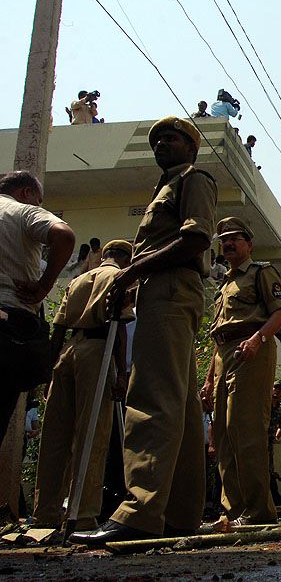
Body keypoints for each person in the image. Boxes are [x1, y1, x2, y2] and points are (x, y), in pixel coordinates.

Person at [71, 116, 217, 545]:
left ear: (191, 147)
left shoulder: (192, 179)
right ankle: (179, 515)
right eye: (156, 140)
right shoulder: (165, 186)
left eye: (171, 138)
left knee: (151, 397)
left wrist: (132, 271)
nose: (161, 145)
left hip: (169, 287)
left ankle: (139, 511)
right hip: (164, 288)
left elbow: (196, 239)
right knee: (181, 405)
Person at [32, 240, 134, 533]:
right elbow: (119, 326)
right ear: (126, 260)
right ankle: (83, 514)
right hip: (97, 351)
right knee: (93, 433)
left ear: (104, 256)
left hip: (68, 352)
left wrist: (49, 372)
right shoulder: (119, 277)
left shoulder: (78, 280)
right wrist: (122, 373)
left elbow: (58, 328)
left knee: (55, 436)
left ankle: (45, 513)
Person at [198, 217, 281, 525]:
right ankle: (234, 511)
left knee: (245, 429)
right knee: (223, 435)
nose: (228, 243)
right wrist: (209, 379)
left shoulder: (261, 273)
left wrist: (258, 339)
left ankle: (258, 512)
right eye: (224, 240)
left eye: (234, 238)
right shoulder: (223, 285)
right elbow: (218, 334)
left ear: (249, 244)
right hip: (224, 353)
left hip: (252, 349)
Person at [0, 171, 76, 442]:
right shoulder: (21, 211)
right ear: (26, 193)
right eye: (39, 200)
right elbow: (64, 235)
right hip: (8, 324)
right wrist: (44, 285)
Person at [267, 382, 281, 507]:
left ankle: (274, 499)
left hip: (269, 441)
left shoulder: (280, 408)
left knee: (269, 469)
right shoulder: (263, 402)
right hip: (256, 438)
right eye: (275, 388)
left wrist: (276, 436)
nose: (277, 391)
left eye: (280, 389)